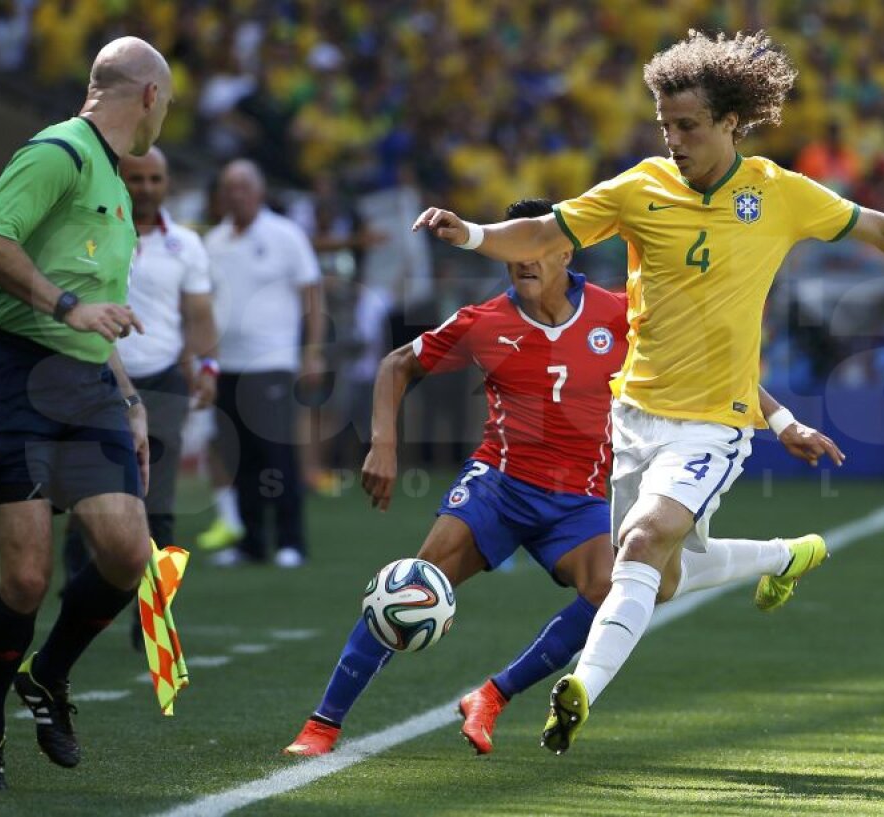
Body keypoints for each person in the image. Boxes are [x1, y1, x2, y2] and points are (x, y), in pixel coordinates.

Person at [413, 29, 884, 755]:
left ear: (731, 122)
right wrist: (473, 234)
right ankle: (782, 556)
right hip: (634, 414)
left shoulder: (776, 193)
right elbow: (543, 231)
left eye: (689, 126)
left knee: (641, 544)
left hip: (714, 424)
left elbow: (883, 231)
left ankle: (583, 686)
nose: (674, 139)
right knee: (661, 576)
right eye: (665, 125)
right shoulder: (639, 188)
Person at [284, 199, 843, 758]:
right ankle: (322, 726)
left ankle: (492, 697)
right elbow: (396, 365)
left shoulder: (621, 316)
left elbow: (713, 371)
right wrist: (383, 445)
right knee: (415, 584)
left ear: (565, 249)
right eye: (515, 251)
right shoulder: (483, 322)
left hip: (577, 498)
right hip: (499, 485)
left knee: (613, 592)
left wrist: (782, 422)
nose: (525, 261)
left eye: (538, 248)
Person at [0, 36, 172, 789]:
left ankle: (48, 675)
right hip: (11, 377)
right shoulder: (61, 152)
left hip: (85, 386)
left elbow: (95, 318)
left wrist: (132, 400)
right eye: (164, 104)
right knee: (25, 578)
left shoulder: (109, 176)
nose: (163, 118)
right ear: (147, 95)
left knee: (127, 550)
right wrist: (66, 304)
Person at [62, 147, 218, 636]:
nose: (147, 187)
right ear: (120, 180)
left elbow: (199, 314)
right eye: (137, 178)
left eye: (156, 178)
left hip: (164, 381)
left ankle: (152, 621)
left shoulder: (187, 246)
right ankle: (79, 609)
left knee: (160, 504)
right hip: (95, 377)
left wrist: (207, 365)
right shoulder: (95, 230)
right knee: (87, 503)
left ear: (167, 182)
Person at [205, 159, 325, 568]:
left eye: (242, 186)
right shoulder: (214, 241)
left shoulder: (285, 235)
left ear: (258, 191)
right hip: (226, 364)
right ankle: (252, 541)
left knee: (277, 453)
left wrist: (313, 349)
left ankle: (292, 540)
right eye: (229, 187)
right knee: (241, 456)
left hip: (271, 360)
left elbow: (312, 293)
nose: (235, 194)